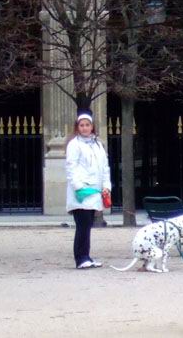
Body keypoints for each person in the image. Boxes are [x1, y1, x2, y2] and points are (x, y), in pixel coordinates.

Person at [66, 109, 111, 269]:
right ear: (77, 127)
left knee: (87, 225)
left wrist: (106, 187)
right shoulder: (74, 144)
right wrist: (79, 187)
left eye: (87, 125)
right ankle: (80, 258)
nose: (84, 128)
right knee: (82, 225)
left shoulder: (98, 144)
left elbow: (105, 167)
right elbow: (71, 168)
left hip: (94, 190)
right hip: (82, 192)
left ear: (92, 126)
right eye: (82, 125)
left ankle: (86, 256)